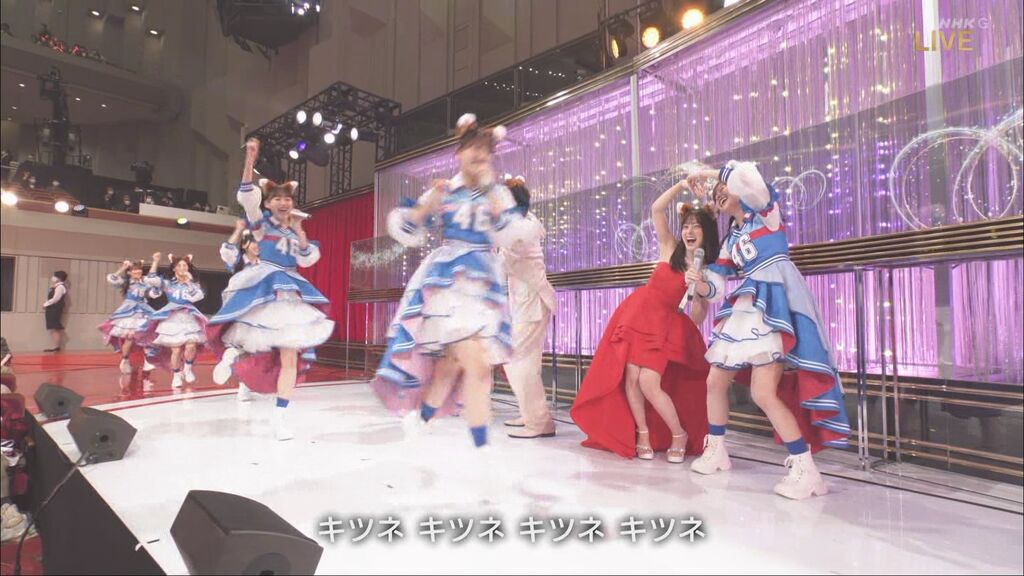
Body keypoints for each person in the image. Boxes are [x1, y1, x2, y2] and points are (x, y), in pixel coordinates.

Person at [685, 161, 850, 499]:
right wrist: (698, 283)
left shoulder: (765, 212)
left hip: (775, 302)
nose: (719, 194)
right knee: (715, 380)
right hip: (748, 304)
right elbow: (715, 288)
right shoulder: (731, 240)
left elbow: (748, 178)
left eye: (723, 188)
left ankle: (806, 470)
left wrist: (709, 173)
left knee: (763, 393)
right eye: (715, 194)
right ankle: (716, 449)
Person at [373, 113, 528, 449]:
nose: (479, 154)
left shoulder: (498, 193)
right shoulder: (444, 191)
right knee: (477, 363)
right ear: (459, 153)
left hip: (484, 285)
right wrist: (428, 202)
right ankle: (481, 449)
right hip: (449, 282)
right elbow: (409, 227)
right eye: (473, 148)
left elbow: (510, 234)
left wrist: (494, 200)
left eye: (485, 149)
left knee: (450, 365)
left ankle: (421, 419)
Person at [571, 184, 716, 463]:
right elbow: (657, 209)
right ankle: (643, 434)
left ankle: (679, 434)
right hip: (638, 314)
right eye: (686, 226)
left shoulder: (706, 271)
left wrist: (698, 289)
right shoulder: (669, 246)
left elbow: (697, 317)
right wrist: (682, 185)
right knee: (632, 379)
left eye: (696, 227)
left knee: (649, 382)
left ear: (706, 232)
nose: (689, 231)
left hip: (663, 326)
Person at [207, 138, 334, 441]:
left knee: (290, 357)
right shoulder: (261, 225)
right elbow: (246, 196)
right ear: (268, 204)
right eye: (277, 199)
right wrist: (250, 159)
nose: (283, 202)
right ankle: (234, 355)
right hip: (266, 285)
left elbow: (307, 258)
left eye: (287, 199)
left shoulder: (295, 228)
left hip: (290, 290)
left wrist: (300, 232)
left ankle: (279, 417)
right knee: (257, 343)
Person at [497, 176, 556, 439]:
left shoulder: (520, 230)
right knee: (526, 361)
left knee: (515, 359)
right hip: (528, 301)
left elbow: (500, 265)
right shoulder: (525, 222)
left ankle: (539, 421)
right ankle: (530, 413)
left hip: (532, 302)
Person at [42, 271, 68, 352]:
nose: (53, 277)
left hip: (55, 308)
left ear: (59, 278)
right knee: (52, 327)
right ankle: (56, 346)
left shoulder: (60, 287)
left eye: (55, 276)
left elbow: (56, 298)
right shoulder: (55, 286)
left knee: (55, 327)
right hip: (52, 308)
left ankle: (57, 347)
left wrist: (45, 304)